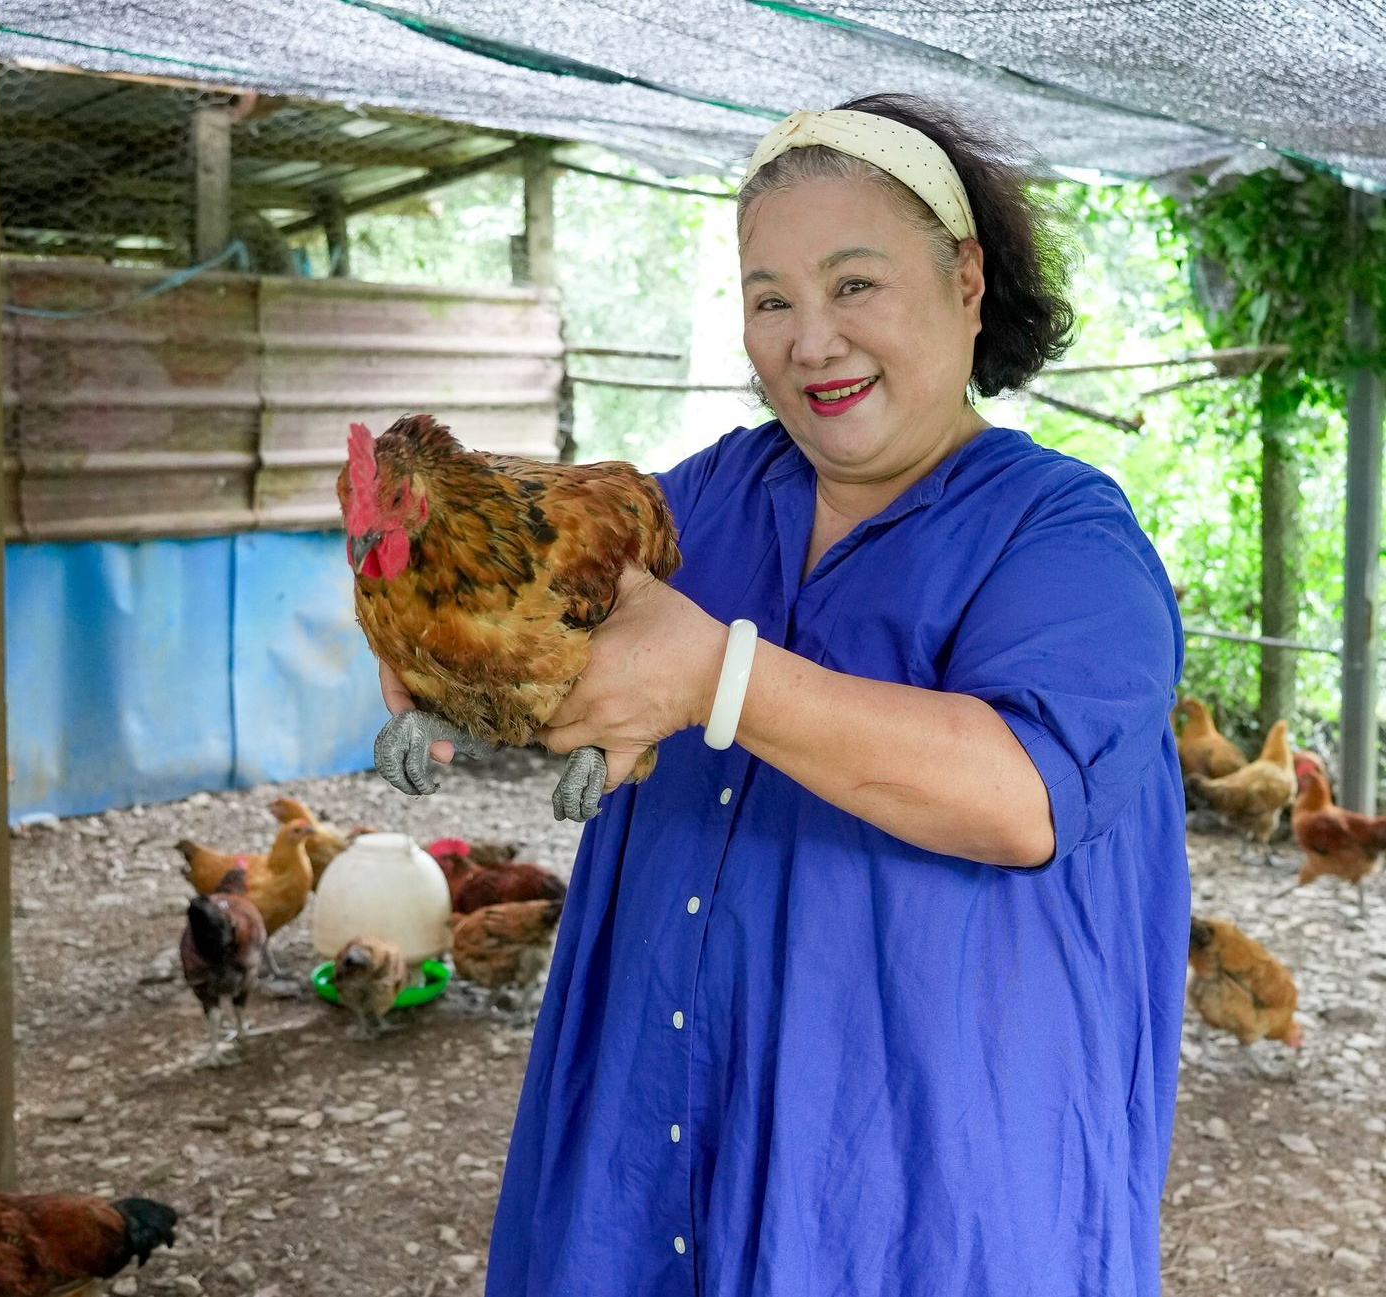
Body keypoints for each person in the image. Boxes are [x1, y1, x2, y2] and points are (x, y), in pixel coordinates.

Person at [384, 93, 1189, 1296]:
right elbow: (558, 646)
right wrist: (440, 647)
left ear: (966, 281)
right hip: (649, 1124)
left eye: (853, 286)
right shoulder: (703, 498)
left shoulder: (1063, 535)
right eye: (771, 299)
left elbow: (1022, 795)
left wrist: (721, 674)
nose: (810, 340)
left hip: (914, 1171)